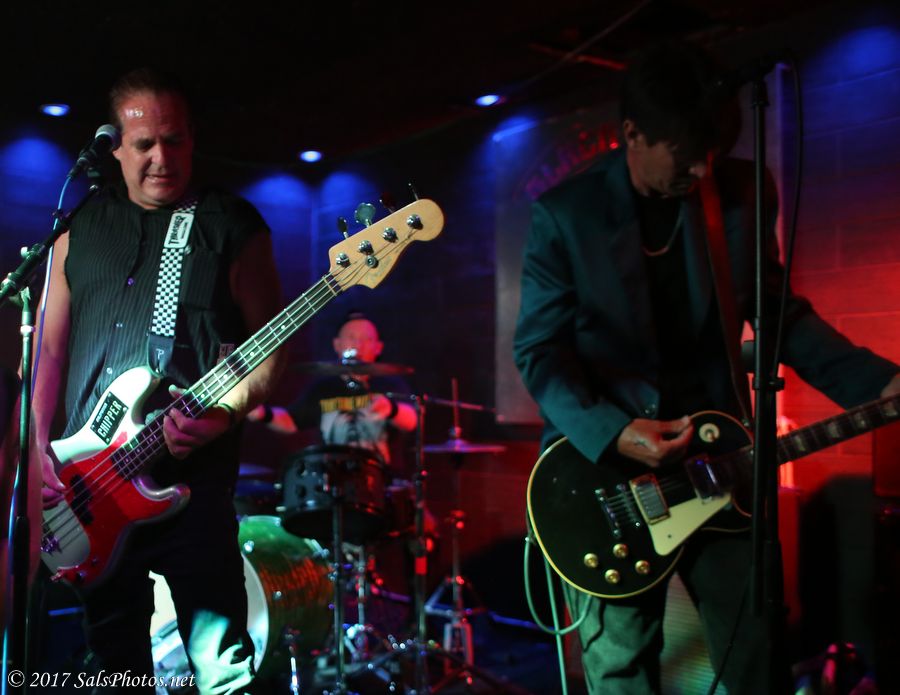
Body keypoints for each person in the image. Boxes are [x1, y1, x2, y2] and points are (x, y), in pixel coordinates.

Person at [513, 42, 900, 695]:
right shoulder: (566, 214)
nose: (701, 167)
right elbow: (539, 352)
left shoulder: (742, 192)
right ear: (632, 133)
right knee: (622, 666)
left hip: (723, 464)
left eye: (712, 151)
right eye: (685, 152)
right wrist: (615, 431)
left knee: (756, 651)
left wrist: (877, 382)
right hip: (609, 476)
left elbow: (779, 315)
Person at [33, 68, 287, 694]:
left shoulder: (231, 224)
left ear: (192, 140)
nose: (161, 158)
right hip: (88, 486)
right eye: (144, 144)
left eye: (174, 141)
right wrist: (34, 445)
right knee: (113, 670)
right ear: (115, 148)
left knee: (222, 670)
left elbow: (273, 350)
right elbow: (47, 352)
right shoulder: (77, 230)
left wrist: (224, 413)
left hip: (194, 490)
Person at [247, 311, 417, 471]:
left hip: (382, 477)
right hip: (333, 476)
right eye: (351, 337)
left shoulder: (390, 383)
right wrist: (263, 413)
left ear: (378, 347)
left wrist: (391, 409)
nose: (358, 344)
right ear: (337, 344)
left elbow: (412, 420)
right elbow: (292, 421)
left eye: (367, 339)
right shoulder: (323, 388)